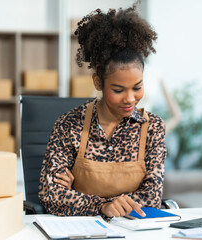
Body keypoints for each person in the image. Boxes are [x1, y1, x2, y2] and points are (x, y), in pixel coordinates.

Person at [38, 4, 166, 220]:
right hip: (83, 230)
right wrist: (103, 205)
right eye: (118, 90)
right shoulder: (69, 124)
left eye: (137, 87)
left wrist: (79, 195)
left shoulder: (153, 127)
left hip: (135, 231)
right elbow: (50, 194)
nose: (130, 99)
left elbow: (152, 197)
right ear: (98, 82)